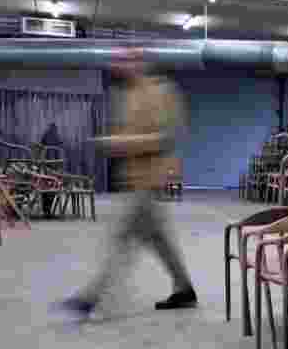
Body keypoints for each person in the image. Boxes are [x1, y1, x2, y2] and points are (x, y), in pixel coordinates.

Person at [54, 48, 197, 318]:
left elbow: (165, 138)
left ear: (139, 63)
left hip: (149, 179)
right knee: (159, 240)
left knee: (121, 240)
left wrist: (117, 144)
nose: (117, 65)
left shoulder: (161, 91)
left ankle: (93, 297)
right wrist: (118, 143)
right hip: (134, 179)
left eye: (124, 60)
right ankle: (185, 289)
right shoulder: (126, 95)